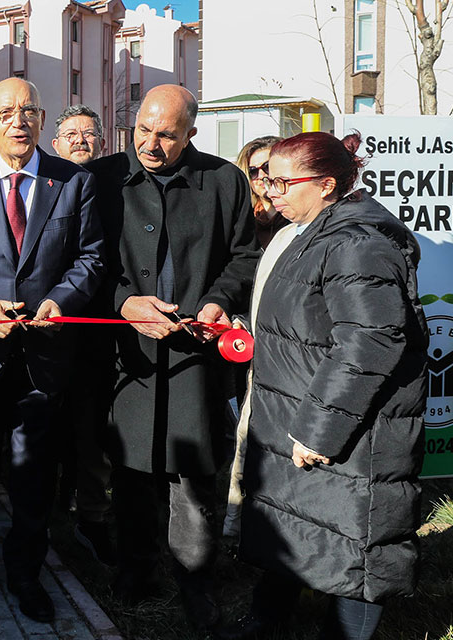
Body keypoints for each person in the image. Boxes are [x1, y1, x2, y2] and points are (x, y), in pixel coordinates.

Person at [215, 132, 428, 640]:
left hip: (351, 434)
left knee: (356, 551)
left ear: (328, 185)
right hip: (302, 419)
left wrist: (317, 432)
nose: (272, 194)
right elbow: (309, 320)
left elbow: (369, 342)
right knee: (298, 529)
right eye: (268, 180)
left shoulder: (359, 244)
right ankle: (268, 622)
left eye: (285, 183)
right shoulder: (313, 229)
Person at [86, 84, 258, 630]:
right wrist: (123, 302)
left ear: (191, 135)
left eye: (166, 135)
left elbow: (243, 256)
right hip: (128, 354)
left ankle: (196, 582)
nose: (151, 145)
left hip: (196, 354)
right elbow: (85, 262)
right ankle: (135, 572)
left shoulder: (222, 180)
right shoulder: (102, 179)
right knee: (132, 474)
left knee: (193, 477)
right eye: (142, 130)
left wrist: (216, 301)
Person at [0, 78, 104, 624]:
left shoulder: (72, 182)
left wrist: (59, 300)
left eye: (28, 109)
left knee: (34, 476)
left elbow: (91, 257)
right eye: (5, 112)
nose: (18, 120)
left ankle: (27, 574)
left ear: (40, 117)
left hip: (45, 355)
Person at [50, 104, 115, 565]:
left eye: (89, 133)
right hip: (44, 329)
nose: (79, 140)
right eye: (70, 133)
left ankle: (92, 519)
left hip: (100, 332)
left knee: (92, 431)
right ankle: (50, 516)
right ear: (54, 144)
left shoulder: (115, 187)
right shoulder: (41, 184)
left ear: (103, 143)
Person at [221, 134, 286, 539]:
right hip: (237, 336)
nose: (262, 176)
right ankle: (235, 519)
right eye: (255, 169)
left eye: (270, 168)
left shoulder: (295, 219)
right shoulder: (238, 215)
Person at [236, 135, 287, 249]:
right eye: (252, 171)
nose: (261, 176)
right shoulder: (243, 220)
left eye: (267, 166)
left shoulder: (299, 216)